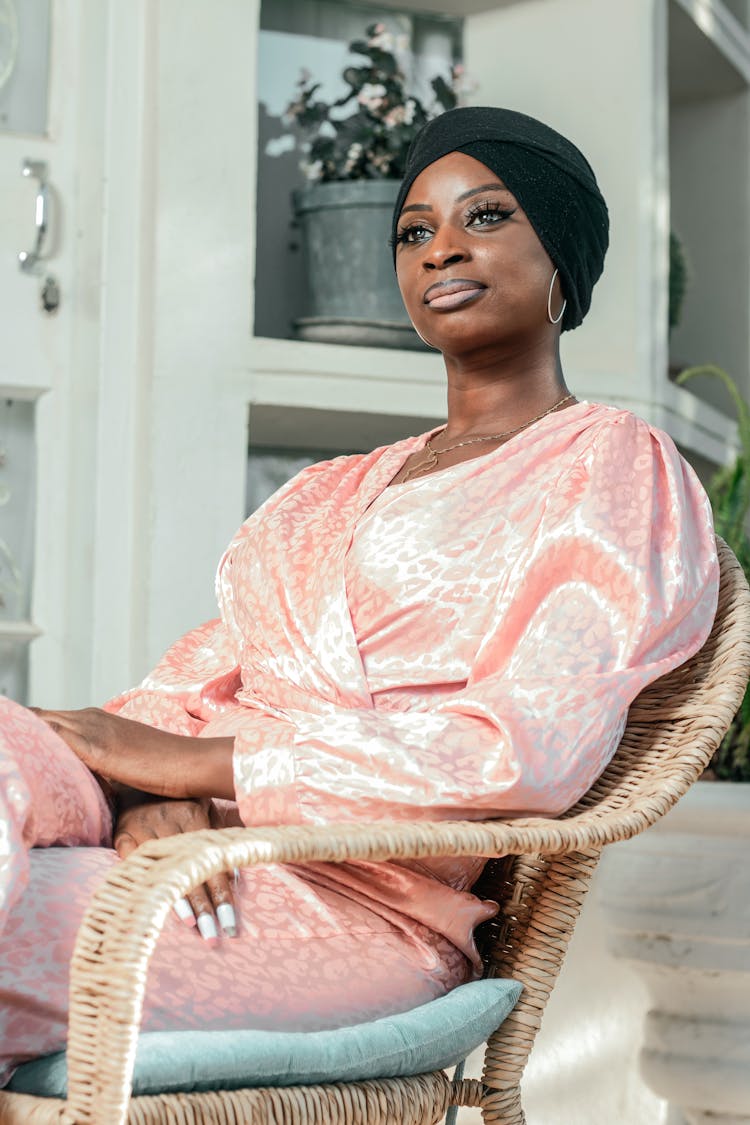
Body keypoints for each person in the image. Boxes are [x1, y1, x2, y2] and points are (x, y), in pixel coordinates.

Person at [0, 106, 718, 1084]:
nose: (441, 249)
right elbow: (197, 681)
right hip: (208, 837)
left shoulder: (613, 467)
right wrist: (141, 791)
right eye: (414, 232)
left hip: (368, 902)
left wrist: (207, 769)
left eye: (488, 216)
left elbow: (522, 751)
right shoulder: (327, 486)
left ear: (565, 259)